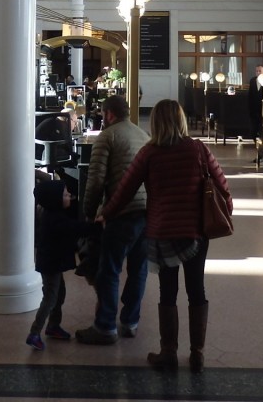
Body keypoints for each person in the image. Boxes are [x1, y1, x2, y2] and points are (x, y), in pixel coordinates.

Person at [98, 99, 232, 374]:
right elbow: (221, 185)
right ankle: (197, 354)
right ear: (181, 120)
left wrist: (106, 213)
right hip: (195, 232)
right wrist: (225, 210)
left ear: (156, 122)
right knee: (197, 289)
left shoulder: (150, 154)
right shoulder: (197, 149)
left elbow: (125, 190)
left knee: (167, 292)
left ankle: (168, 353)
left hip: (163, 233)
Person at [75, 95, 149, 346]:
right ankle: (130, 321)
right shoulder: (143, 135)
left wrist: (88, 212)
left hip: (122, 212)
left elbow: (95, 180)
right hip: (147, 212)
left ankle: (105, 326)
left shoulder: (107, 137)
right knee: (138, 269)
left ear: (108, 114)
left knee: (109, 269)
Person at [26, 179, 99, 351]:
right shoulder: (55, 219)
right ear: (55, 199)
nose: (70, 197)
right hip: (51, 265)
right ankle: (35, 333)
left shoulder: (53, 215)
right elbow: (76, 228)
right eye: (66, 195)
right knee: (50, 298)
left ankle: (53, 325)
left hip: (53, 264)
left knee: (59, 294)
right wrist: (96, 226)